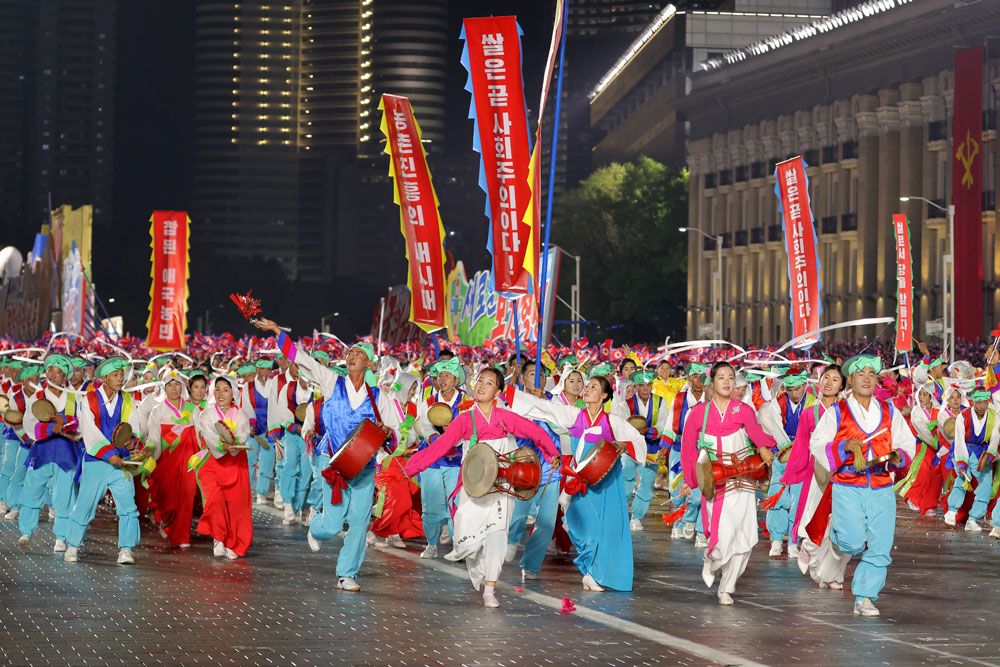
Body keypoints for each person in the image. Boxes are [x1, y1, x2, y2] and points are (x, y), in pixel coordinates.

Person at [254, 317, 392, 593]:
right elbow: (302, 359)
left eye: (359, 353)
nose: (352, 355)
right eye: (350, 352)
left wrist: (387, 433)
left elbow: (395, 433)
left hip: (364, 470)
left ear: (369, 364)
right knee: (331, 525)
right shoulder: (331, 382)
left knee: (359, 522)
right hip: (334, 465)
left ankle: (346, 573)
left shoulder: (380, 396)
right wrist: (278, 332)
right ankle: (315, 526)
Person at [405, 368, 560, 608]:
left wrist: (552, 453)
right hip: (473, 485)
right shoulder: (465, 419)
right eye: (479, 381)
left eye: (489, 383)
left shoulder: (504, 416)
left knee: (497, 535)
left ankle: (490, 588)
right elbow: (440, 448)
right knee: (468, 538)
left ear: (498, 391)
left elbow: (535, 432)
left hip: (501, 484)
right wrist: (411, 467)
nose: (481, 385)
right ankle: (478, 568)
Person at [508, 375, 646, 592]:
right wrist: (511, 394)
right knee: (587, 529)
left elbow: (637, 440)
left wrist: (623, 445)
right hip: (582, 483)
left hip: (609, 482)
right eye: (587, 385)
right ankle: (591, 570)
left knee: (609, 529)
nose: (587, 389)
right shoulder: (574, 416)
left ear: (604, 395)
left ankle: (595, 574)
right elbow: (544, 408)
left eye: (593, 387)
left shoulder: (613, 421)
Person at [809, 355, 917, 617]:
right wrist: (842, 446)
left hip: (881, 485)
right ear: (851, 379)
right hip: (847, 485)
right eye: (861, 374)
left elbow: (906, 443)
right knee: (852, 543)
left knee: (881, 545)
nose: (867, 378)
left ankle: (865, 596)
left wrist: (898, 457)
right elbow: (817, 444)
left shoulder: (890, 411)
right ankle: (836, 538)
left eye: (871, 373)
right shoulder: (838, 411)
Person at [681, 362, 777, 605]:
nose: (726, 382)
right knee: (723, 533)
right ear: (711, 383)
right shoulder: (698, 413)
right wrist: (691, 480)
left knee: (744, 534)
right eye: (721, 377)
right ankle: (712, 558)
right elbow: (688, 450)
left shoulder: (743, 409)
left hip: (742, 481)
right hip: (715, 482)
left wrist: (766, 447)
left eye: (730, 378)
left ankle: (727, 586)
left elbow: (755, 433)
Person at [65, 356, 147, 565]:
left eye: (122, 375)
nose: (120, 379)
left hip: (122, 462)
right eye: (115, 375)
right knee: (85, 504)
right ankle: (73, 544)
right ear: (104, 378)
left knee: (128, 506)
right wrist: (111, 455)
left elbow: (133, 427)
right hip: (97, 461)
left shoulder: (127, 399)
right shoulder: (89, 399)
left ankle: (126, 549)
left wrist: (131, 443)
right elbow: (90, 433)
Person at [778, 364, 847, 588]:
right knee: (815, 520)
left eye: (834, 380)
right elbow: (800, 446)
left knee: (839, 523)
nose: (828, 382)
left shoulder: (847, 412)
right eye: (825, 377)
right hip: (816, 475)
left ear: (842, 386)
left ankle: (834, 574)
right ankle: (817, 564)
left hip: (842, 474)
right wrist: (790, 475)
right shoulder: (809, 413)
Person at [19, 354, 83, 552]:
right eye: (50, 371)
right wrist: (49, 430)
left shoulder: (75, 397)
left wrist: (69, 429)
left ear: (65, 376)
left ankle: (61, 537)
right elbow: (28, 423)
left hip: (66, 452)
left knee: (64, 495)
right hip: (42, 450)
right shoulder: (37, 396)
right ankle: (26, 530)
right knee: (32, 488)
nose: (54, 375)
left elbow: (82, 423)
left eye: (58, 372)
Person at [758, 367, 815, 558]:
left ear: (805, 385)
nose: (794, 393)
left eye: (797, 388)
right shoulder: (776, 404)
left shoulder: (813, 403)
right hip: (781, 455)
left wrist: (801, 451)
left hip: (803, 455)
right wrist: (781, 449)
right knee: (777, 496)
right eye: (790, 389)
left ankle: (793, 541)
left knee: (798, 499)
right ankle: (776, 539)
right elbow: (770, 428)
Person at [195, 375, 253, 559]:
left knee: (238, 505)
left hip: (236, 464)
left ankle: (235, 543)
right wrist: (222, 446)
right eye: (217, 389)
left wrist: (233, 444)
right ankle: (218, 537)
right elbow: (209, 436)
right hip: (213, 462)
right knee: (215, 500)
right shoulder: (207, 414)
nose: (221, 394)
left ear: (233, 393)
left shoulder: (240, 413)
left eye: (226, 390)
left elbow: (242, 434)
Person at [144, 368, 202, 548]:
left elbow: (200, 433)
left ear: (182, 387)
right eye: (170, 385)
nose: (174, 389)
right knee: (167, 497)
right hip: (166, 459)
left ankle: (183, 535)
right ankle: (166, 521)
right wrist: (149, 452)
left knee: (186, 496)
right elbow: (153, 437)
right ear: (164, 388)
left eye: (177, 385)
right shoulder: (157, 410)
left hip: (188, 460)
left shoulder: (192, 409)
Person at [944, 385, 998, 532]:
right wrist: (961, 463)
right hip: (965, 448)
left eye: (985, 402)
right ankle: (952, 510)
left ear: (988, 401)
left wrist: (990, 455)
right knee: (962, 479)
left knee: (986, 486)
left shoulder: (994, 417)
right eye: (978, 402)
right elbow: (960, 440)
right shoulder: (963, 416)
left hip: (982, 452)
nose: (982, 406)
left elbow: (995, 438)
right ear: (973, 402)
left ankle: (973, 519)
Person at [662, 363, 707, 541]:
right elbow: (670, 426)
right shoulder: (680, 399)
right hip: (679, 449)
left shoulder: (710, 398)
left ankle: (696, 526)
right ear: (688, 379)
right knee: (677, 491)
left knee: (700, 491)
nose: (699, 381)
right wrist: (663, 447)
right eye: (695, 376)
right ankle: (678, 523)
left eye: (702, 376)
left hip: (702, 452)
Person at [623, 369, 669, 531]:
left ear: (651, 385)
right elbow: (620, 422)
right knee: (626, 479)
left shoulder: (660, 402)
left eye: (647, 385)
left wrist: (648, 431)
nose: (644, 389)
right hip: (629, 448)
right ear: (635, 387)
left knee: (647, 484)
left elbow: (663, 425)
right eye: (641, 385)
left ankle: (636, 517)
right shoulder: (627, 402)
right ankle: (622, 512)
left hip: (651, 448)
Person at [241, 359, 277, 504]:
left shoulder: (273, 385)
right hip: (252, 428)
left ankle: (262, 491)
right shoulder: (248, 386)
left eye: (269, 370)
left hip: (269, 427)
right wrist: (251, 424)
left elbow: (276, 406)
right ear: (257, 369)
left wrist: (272, 427)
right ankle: (250, 490)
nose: (266, 372)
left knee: (268, 461)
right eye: (263, 369)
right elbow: (246, 406)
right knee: (250, 460)